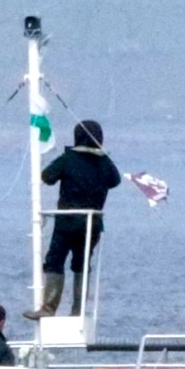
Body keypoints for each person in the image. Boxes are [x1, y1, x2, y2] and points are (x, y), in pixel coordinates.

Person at [30, 119, 121, 317]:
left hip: (67, 222)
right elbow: (115, 180)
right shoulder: (104, 162)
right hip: (92, 224)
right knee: (81, 264)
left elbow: (47, 176)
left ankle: (49, 308)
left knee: (55, 260)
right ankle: (77, 310)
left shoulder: (68, 158)